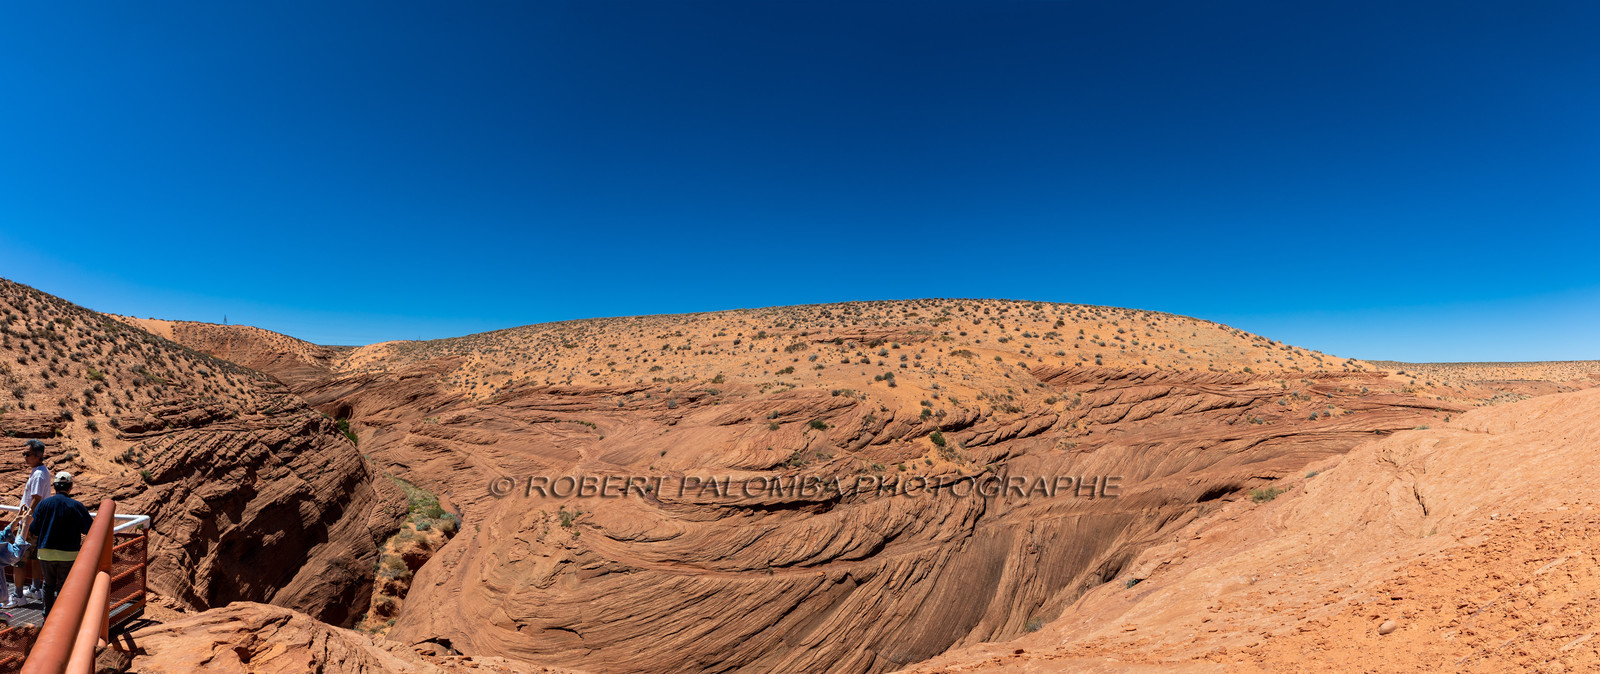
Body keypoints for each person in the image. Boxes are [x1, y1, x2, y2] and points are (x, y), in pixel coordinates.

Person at [27, 471, 91, 617]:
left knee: (48, 585)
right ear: (70, 487)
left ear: (54, 486)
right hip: (69, 554)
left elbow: (33, 529)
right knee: (64, 587)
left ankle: (47, 616)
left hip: (45, 552)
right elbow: (89, 529)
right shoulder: (76, 506)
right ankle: (63, 617)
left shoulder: (44, 504)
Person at [5, 440, 51, 608]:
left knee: (17, 559)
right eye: (24, 454)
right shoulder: (40, 471)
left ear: (38, 455)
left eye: (27, 454)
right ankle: (35, 589)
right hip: (38, 523)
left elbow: (36, 498)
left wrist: (26, 522)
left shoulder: (38, 474)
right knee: (34, 558)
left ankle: (18, 596)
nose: (25, 457)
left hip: (30, 524)